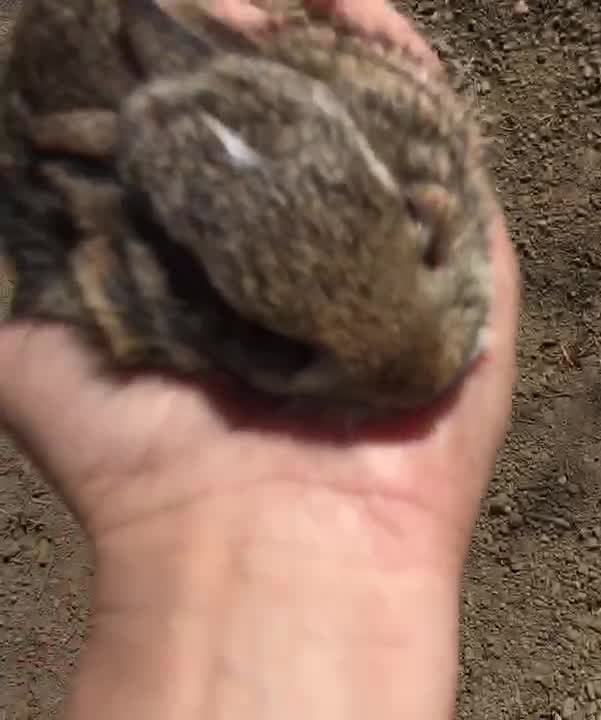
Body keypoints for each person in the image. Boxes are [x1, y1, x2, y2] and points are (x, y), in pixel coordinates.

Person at [0, 2, 521, 718]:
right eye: (294, 347)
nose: (422, 379)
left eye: (424, 233)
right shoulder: (128, 271)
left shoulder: (394, 127)